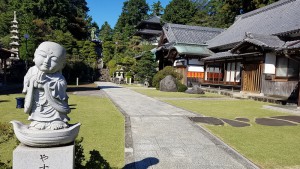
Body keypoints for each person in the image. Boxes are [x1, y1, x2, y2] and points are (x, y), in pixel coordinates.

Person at [22, 41, 70, 130]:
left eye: (54, 60)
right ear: (35, 55)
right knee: (37, 117)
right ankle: (37, 121)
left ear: (61, 65)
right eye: (43, 56)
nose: (46, 61)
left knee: (56, 117)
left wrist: (46, 84)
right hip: (37, 104)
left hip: (54, 109)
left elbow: (62, 87)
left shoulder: (58, 76)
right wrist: (32, 82)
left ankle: (57, 121)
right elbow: (26, 84)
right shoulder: (32, 71)